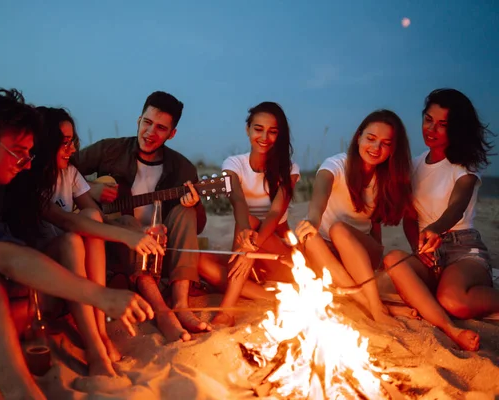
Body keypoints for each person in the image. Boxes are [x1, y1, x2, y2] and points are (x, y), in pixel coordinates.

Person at [0, 88, 153, 400]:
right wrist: (103, 296)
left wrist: (127, 236)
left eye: (30, 154)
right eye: (19, 153)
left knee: (33, 303)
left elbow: (67, 224)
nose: (27, 164)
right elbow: (7, 257)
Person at [2, 106, 164, 376]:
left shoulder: (70, 174)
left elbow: (94, 217)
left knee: (91, 217)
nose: (71, 149)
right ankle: (93, 347)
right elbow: (68, 221)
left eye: (72, 141)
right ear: (46, 144)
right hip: (43, 261)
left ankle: (100, 331)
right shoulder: (30, 181)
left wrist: (137, 234)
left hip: (72, 258)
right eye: (64, 143)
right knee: (72, 240)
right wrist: (126, 236)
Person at [76, 91, 210, 342]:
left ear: (172, 134)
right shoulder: (109, 150)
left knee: (185, 210)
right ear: (138, 120)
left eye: (161, 128)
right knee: (128, 224)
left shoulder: (183, 168)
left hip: (159, 250)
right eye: (147, 123)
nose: (150, 132)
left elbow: (197, 227)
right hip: (114, 242)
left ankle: (181, 304)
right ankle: (162, 312)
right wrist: (88, 188)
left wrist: (195, 204)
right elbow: (63, 169)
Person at [383, 88, 497, 351]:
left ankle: (464, 310)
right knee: (393, 260)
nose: (431, 129)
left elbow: (457, 206)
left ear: (456, 129)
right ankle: (448, 325)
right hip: (429, 251)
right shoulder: (414, 165)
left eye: (442, 124)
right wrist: (417, 250)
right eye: (428, 120)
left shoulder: (464, 166)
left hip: (463, 248)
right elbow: (410, 217)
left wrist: (435, 228)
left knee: (452, 300)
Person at [295, 109, 415, 328]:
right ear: (359, 136)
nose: (376, 148)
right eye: (371, 138)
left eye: (385, 143)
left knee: (339, 229)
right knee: (309, 237)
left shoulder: (388, 179)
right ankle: (375, 306)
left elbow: (376, 223)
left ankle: (373, 305)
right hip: (327, 254)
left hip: (361, 251)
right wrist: (313, 219)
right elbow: (320, 193)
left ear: (393, 149)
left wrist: (377, 255)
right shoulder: (336, 165)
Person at [198, 102, 300, 327]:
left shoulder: (290, 169)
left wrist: (248, 248)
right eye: (258, 129)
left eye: (272, 131)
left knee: (252, 222)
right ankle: (274, 298)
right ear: (248, 129)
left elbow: (275, 213)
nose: (264, 136)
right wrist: (246, 243)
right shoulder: (234, 163)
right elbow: (237, 200)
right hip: (247, 249)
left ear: (279, 135)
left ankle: (227, 311)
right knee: (200, 261)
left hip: (279, 253)